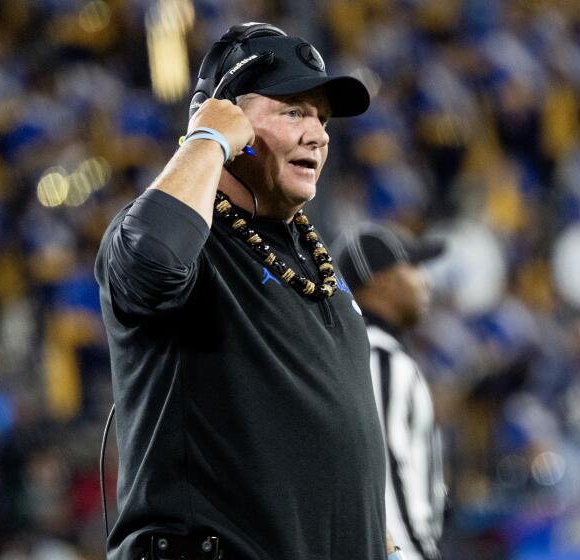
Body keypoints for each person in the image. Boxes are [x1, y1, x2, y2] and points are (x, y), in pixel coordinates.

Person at [96, 23, 395, 559]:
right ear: (226, 116)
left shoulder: (307, 254)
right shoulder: (186, 240)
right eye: (293, 112)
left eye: (322, 119)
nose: (319, 135)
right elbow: (151, 262)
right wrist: (206, 139)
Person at [333, 223, 447, 560]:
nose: (425, 281)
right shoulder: (378, 359)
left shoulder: (359, 352)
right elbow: (387, 480)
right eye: (412, 267)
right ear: (379, 280)